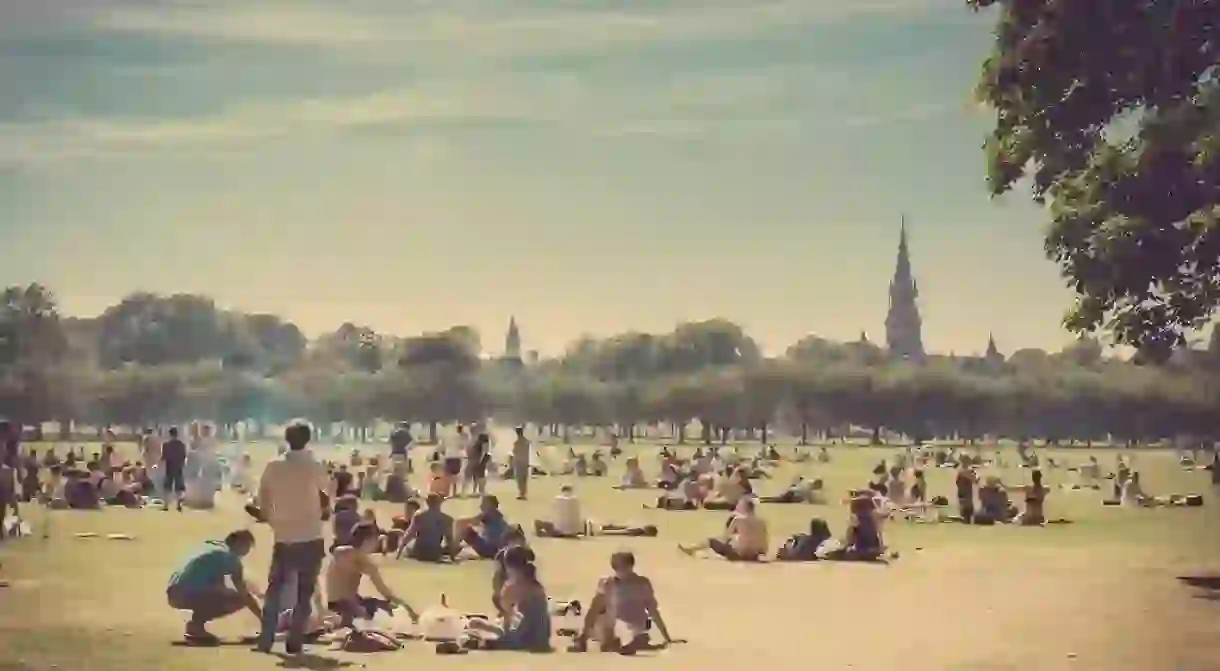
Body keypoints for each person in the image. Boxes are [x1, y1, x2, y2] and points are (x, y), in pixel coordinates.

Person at [256, 422, 330, 655]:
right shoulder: (314, 466)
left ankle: (266, 639)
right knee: (304, 592)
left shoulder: (273, 466)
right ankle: (295, 639)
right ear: (307, 440)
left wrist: (273, 519)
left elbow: (263, 500)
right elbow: (327, 495)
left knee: (274, 590)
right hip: (310, 534)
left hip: (284, 536)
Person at [166, 530, 262, 644]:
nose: (247, 551)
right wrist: (266, 622)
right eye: (248, 547)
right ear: (240, 544)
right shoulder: (230, 557)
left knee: (220, 594)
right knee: (239, 599)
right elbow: (243, 594)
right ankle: (196, 628)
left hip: (174, 593)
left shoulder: (211, 547)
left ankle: (196, 628)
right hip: (186, 593)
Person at [569, 551, 675, 654]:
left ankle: (624, 642)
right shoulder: (609, 583)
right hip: (619, 625)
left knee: (614, 633)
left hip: (630, 625)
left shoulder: (640, 583)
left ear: (631, 566)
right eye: (617, 567)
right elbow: (594, 609)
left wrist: (666, 636)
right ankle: (621, 642)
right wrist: (584, 636)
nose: (621, 570)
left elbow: (653, 611)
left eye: (623, 567)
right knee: (604, 625)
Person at [326, 522, 420, 628]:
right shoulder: (343, 553)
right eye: (376, 539)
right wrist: (360, 611)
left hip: (355, 602)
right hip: (339, 604)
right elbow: (342, 589)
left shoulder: (366, 562)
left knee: (388, 609)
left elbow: (384, 590)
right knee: (363, 618)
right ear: (367, 541)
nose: (377, 543)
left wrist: (405, 608)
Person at [465, 546, 552, 651]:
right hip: (542, 638)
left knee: (478, 642)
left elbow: (509, 630)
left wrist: (487, 627)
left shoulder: (513, 587)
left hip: (527, 640)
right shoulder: (534, 584)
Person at [679, 497, 769, 561]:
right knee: (735, 540)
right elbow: (765, 542)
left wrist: (733, 540)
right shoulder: (762, 521)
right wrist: (762, 552)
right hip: (754, 556)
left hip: (739, 554)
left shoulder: (738, 519)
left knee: (710, 541)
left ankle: (691, 550)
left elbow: (725, 538)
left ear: (745, 508)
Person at [396, 493, 456, 562]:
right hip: (435, 553)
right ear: (440, 503)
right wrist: (453, 558)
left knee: (406, 548)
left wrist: (399, 552)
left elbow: (410, 534)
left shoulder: (420, 516)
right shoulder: (447, 519)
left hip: (419, 552)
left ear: (427, 503)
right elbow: (449, 540)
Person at [456, 495, 511, 559]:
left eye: (484, 503)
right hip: (498, 549)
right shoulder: (498, 514)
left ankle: (453, 548)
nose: (481, 506)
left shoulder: (488, 513)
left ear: (490, 504)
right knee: (471, 530)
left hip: (489, 549)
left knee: (464, 529)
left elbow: (461, 522)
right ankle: (455, 547)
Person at [159, 428, 187, 512]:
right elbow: (184, 456)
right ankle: (178, 505)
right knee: (179, 487)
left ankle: (166, 505)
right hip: (178, 467)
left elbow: (164, 457)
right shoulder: (181, 445)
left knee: (167, 487)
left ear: (170, 434)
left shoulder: (166, 445)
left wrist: (158, 465)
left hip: (169, 467)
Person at [464, 433, 491, 497]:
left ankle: (474, 491)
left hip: (475, 461)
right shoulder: (485, 444)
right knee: (481, 476)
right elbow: (484, 452)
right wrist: (481, 461)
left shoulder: (476, 445)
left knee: (475, 477)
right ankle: (481, 490)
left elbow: (472, 453)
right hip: (480, 462)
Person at [443, 425, 467, 498]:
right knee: (454, 476)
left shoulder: (449, 436)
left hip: (448, 456)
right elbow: (462, 447)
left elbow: (444, 446)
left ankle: (447, 492)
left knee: (448, 475)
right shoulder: (460, 438)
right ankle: (453, 492)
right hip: (456, 457)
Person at [511, 426, 531, 500]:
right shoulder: (526, 442)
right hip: (525, 462)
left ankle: (521, 493)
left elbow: (515, 452)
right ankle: (523, 493)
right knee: (524, 478)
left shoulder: (517, 443)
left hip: (519, 462)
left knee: (519, 478)